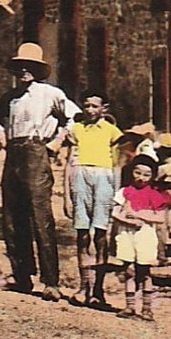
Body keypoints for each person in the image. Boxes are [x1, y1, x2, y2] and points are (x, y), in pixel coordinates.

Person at [0, 42, 78, 301]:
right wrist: (0, 133)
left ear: (38, 69)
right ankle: (21, 276)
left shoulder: (50, 94)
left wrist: (57, 142)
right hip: (14, 153)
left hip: (37, 152)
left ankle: (51, 281)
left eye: (30, 67)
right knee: (13, 218)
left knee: (40, 217)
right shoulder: (10, 96)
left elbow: (74, 117)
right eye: (20, 67)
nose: (24, 71)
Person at [61, 89, 120, 308]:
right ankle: (84, 285)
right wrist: (66, 196)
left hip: (104, 178)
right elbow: (68, 163)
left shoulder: (112, 131)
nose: (90, 110)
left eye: (95, 106)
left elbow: (118, 163)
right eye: (86, 106)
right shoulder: (76, 129)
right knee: (82, 234)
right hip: (80, 176)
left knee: (101, 235)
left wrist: (118, 193)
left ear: (104, 109)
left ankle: (99, 290)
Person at [112, 155, 171, 321]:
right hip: (126, 234)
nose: (141, 178)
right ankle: (130, 306)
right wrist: (128, 220)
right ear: (131, 172)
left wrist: (139, 216)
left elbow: (160, 218)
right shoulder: (124, 192)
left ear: (152, 176)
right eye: (137, 173)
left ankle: (147, 308)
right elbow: (115, 213)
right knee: (129, 270)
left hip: (145, 234)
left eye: (146, 175)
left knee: (144, 271)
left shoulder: (154, 194)